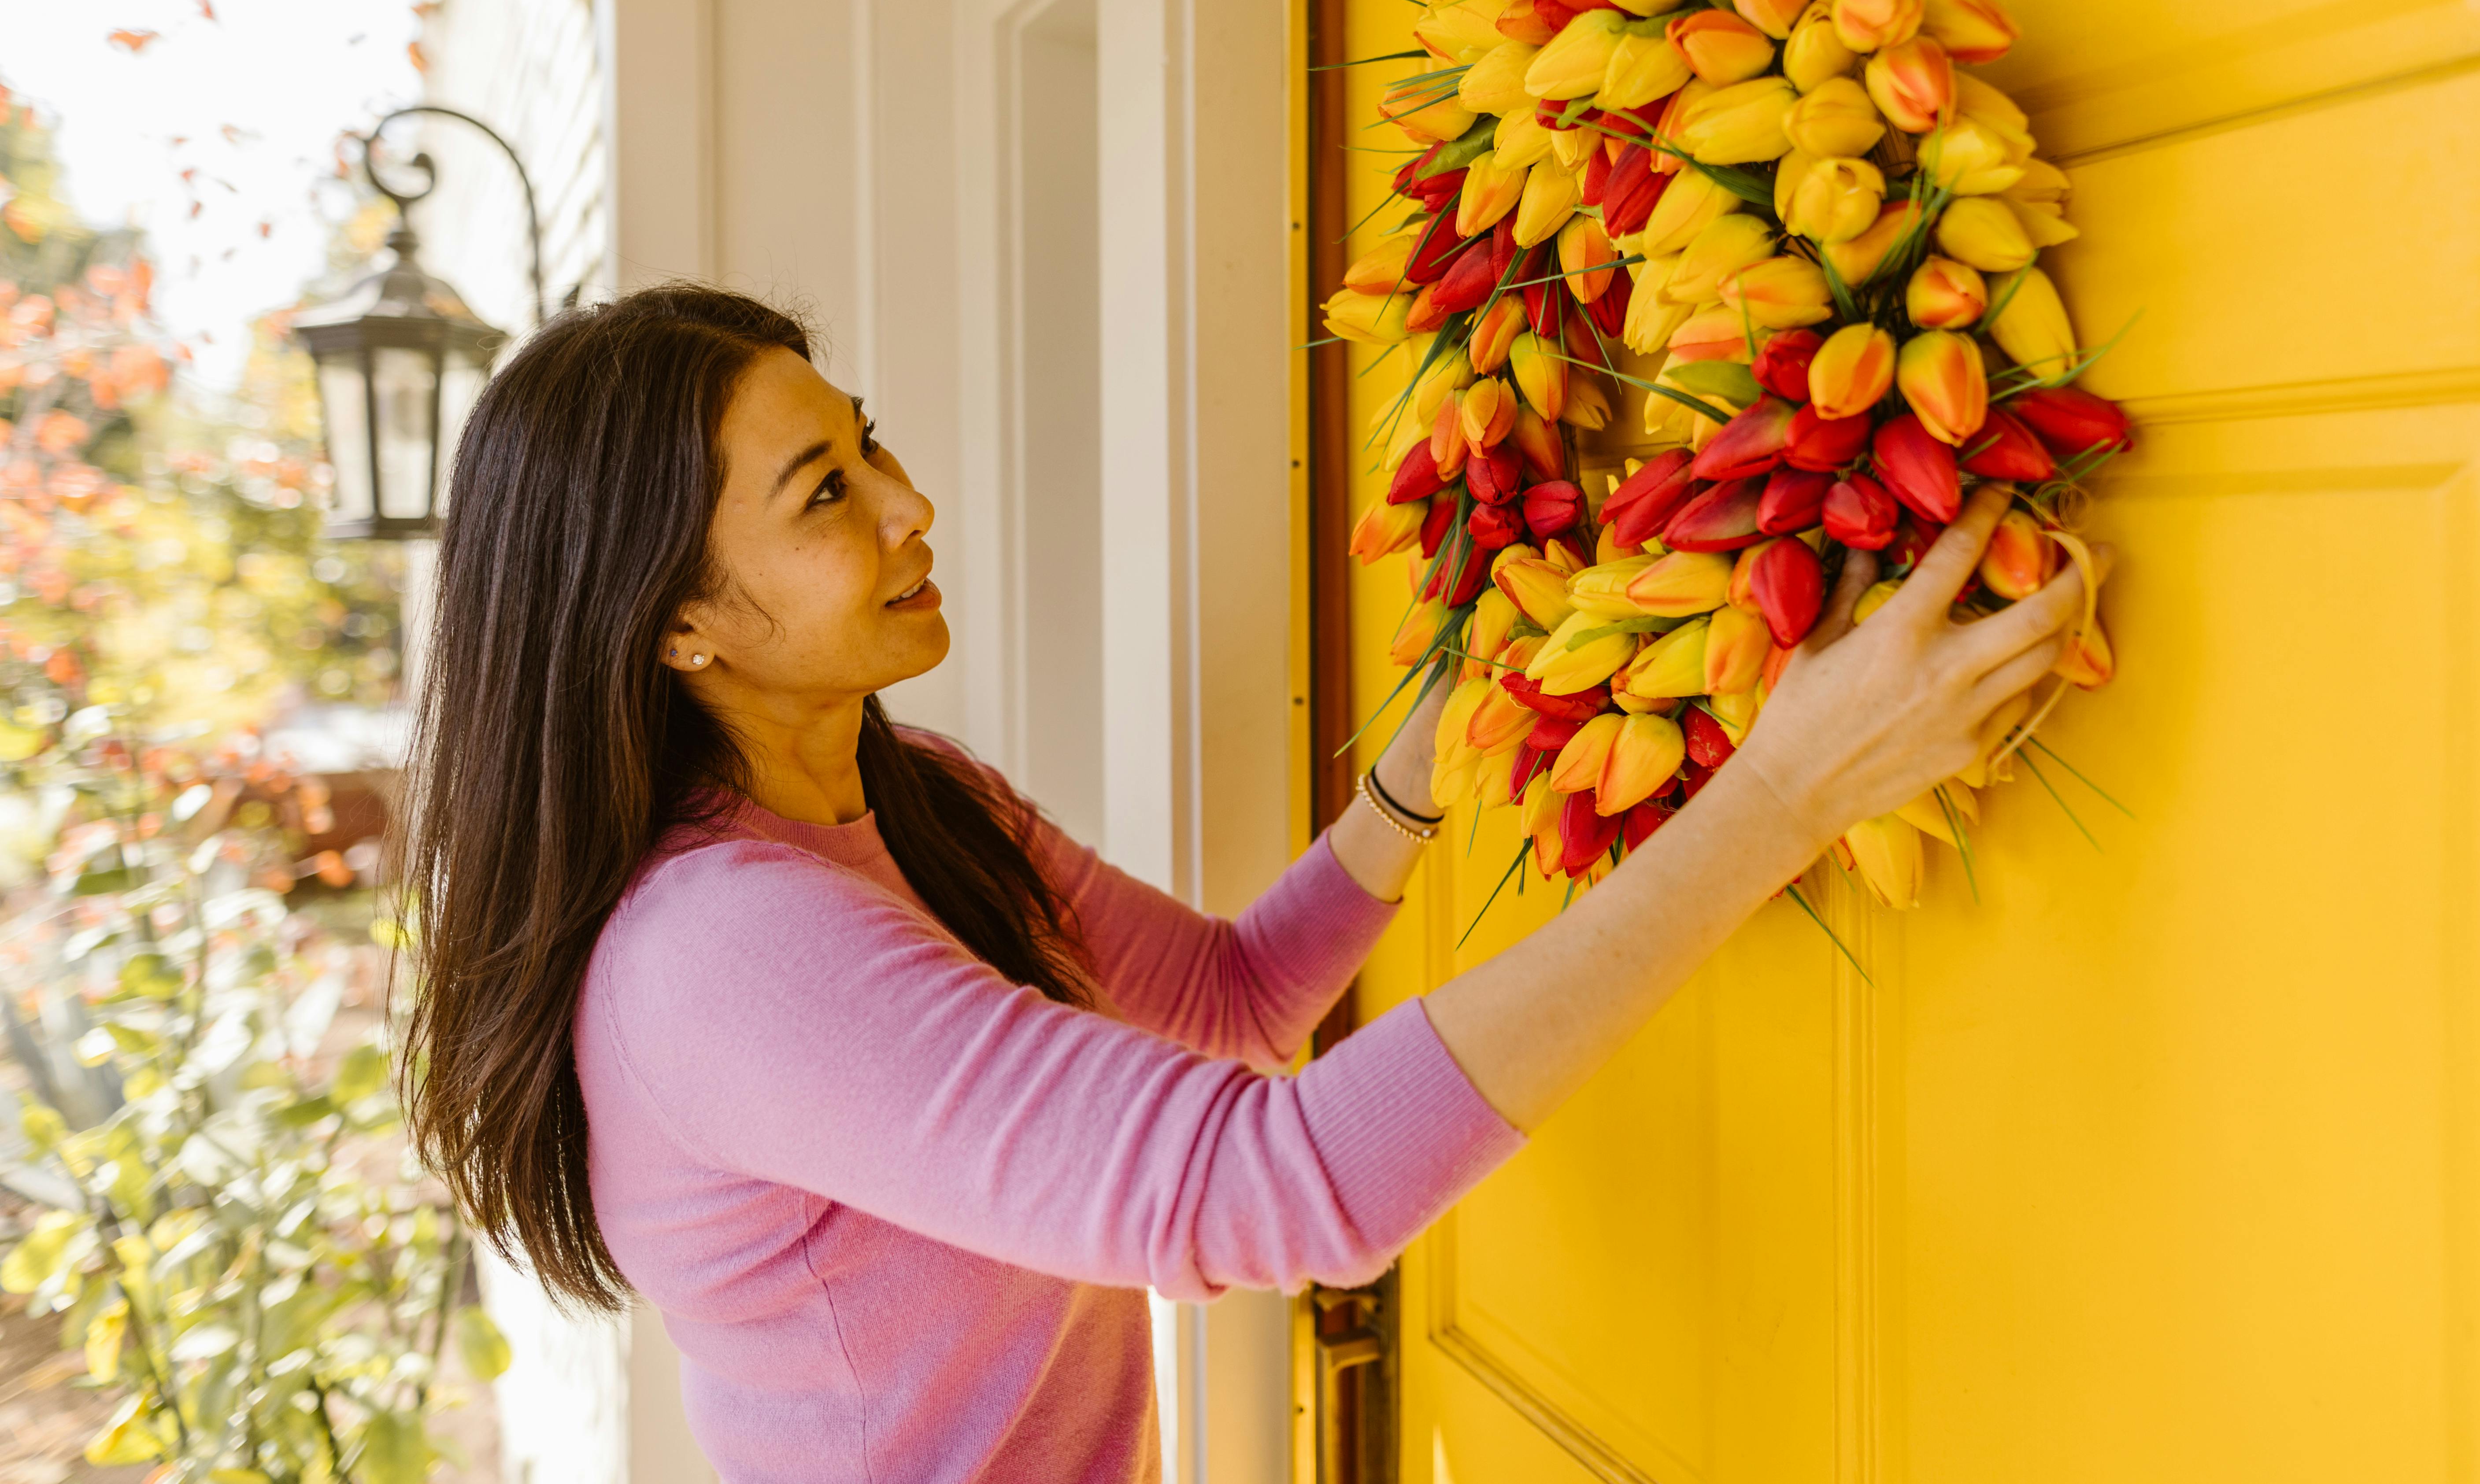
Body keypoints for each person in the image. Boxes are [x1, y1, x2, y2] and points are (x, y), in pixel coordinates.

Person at [400, 284, 2090, 1483]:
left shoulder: (914, 800)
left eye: (870, 446)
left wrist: (1434, 751)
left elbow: (1229, 1006)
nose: (914, 507)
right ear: (675, 618)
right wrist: (1783, 796)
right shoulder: (723, 952)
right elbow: (1262, 1190)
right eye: (825, 494)